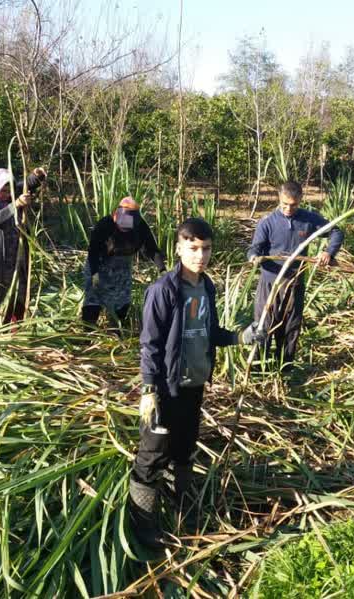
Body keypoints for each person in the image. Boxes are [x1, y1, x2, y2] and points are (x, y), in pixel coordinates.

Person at [129, 217, 265, 549]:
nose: (199, 256)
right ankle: (142, 527)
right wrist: (149, 390)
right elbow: (150, 344)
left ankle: (182, 512)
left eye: (205, 249)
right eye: (192, 249)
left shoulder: (206, 287)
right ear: (179, 249)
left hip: (194, 385)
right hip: (165, 389)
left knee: (184, 450)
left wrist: (240, 337)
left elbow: (210, 332)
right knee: (151, 458)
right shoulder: (163, 290)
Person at [247, 180, 344, 367]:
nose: (288, 208)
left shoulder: (308, 219)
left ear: (300, 200)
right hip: (270, 284)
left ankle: (285, 369)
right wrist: (254, 257)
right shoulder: (267, 222)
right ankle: (260, 370)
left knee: (291, 328)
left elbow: (336, 231)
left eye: (293, 205)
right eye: (284, 204)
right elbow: (255, 248)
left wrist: (328, 252)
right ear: (279, 199)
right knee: (263, 327)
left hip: (295, 284)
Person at [82, 196, 165, 326]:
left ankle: (116, 328)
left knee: (122, 302)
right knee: (93, 300)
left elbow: (151, 249)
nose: (124, 229)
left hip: (122, 267)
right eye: (122, 224)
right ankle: (87, 331)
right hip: (100, 264)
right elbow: (93, 251)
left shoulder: (140, 226)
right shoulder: (104, 225)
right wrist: (94, 273)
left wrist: (162, 270)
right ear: (116, 216)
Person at [0, 167, 46, 323]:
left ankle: (16, 327)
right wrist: (14, 205)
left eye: (10, 191)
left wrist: (37, 176)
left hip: (18, 252)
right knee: (0, 292)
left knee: (20, 290)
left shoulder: (12, 194)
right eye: (3, 191)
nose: (7, 194)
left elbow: (25, 184)